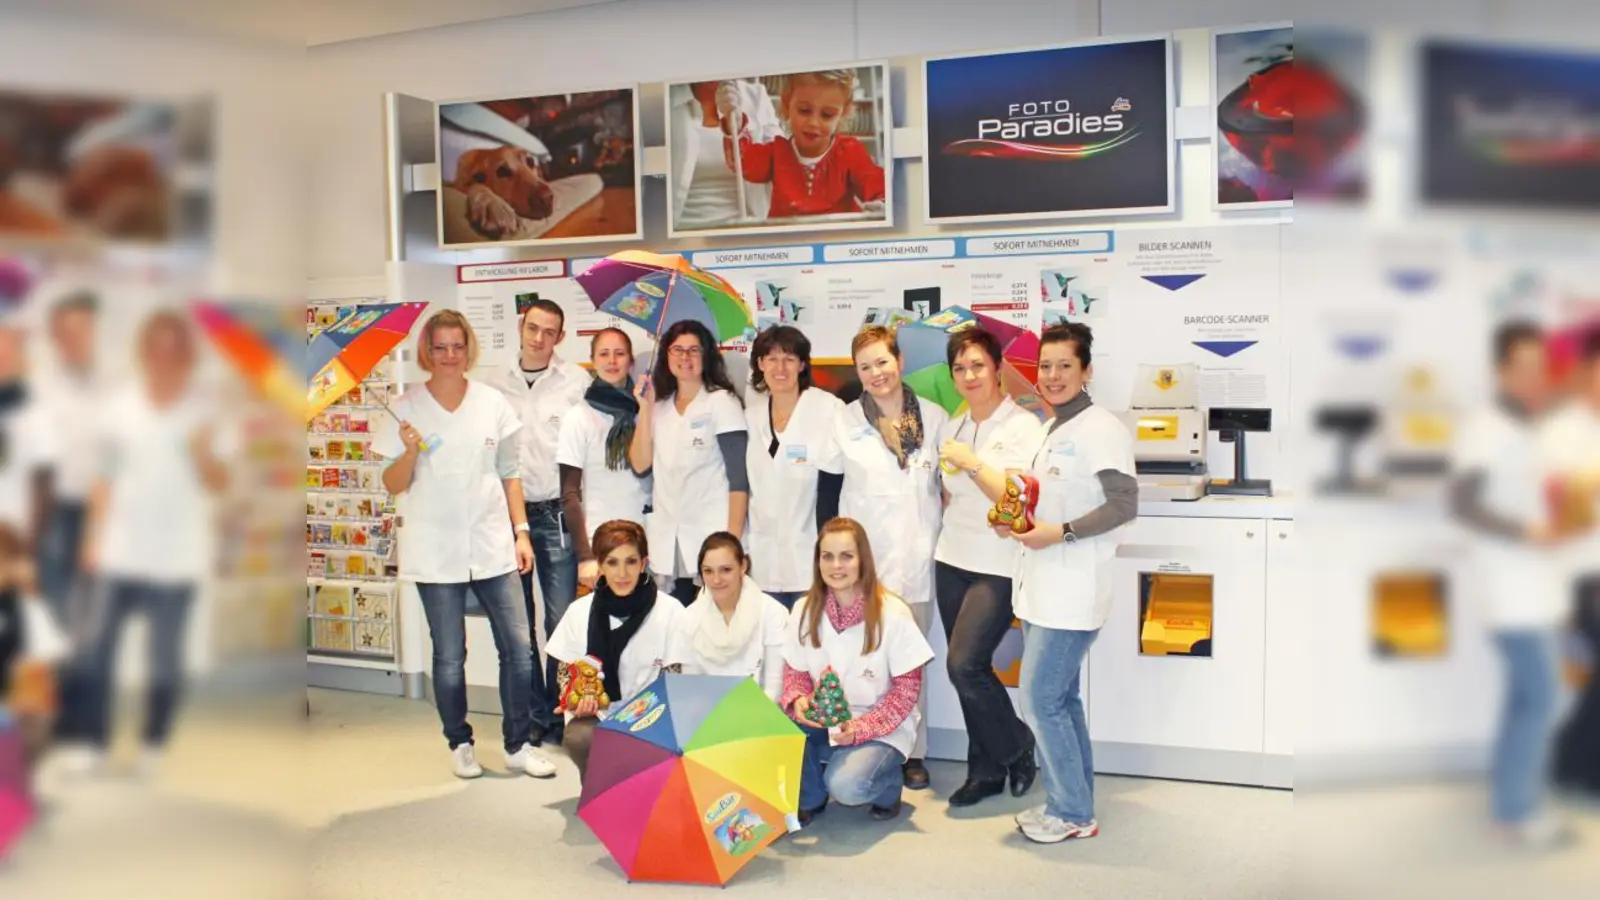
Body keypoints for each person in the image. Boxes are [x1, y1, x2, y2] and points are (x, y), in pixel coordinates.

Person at [373, 309, 556, 780]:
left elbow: (510, 474)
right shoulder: (405, 406)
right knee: (450, 654)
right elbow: (393, 484)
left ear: (468, 348)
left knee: (519, 648)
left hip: (494, 541)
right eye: (440, 347)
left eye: (458, 346)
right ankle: (459, 741)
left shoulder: (492, 403)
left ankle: (517, 744)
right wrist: (410, 451)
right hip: (435, 549)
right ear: (426, 352)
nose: (450, 355)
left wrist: (521, 533)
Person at [73, 311, 233, 776]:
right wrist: (93, 538)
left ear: (186, 356)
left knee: (163, 661)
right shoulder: (119, 409)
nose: (164, 359)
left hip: (176, 558)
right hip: (120, 550)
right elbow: (103, 477)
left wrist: (203, 453)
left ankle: (153, 742)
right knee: (95, 653)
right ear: (144, 354)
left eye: (174, 350)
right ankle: (94, 743)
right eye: (156, 349)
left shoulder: (204, 413)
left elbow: (220, 483)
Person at [1002, 322, 1137, 844]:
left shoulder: (1101, 428)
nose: (1053, 375)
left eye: (1064, 365)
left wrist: (1059, 532)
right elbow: (1053, 499)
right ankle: (1074, 802)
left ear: (1086, 371)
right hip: (1044, 586)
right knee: (1061, 700)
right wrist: (1014, 522)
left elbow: (1124, 505)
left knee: (1039, 700)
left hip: (1074, 589)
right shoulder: (1053, 427)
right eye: (1046, 365)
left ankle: (1072, 812)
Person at [1449, 321, 1574, 847]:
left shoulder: (1524, 426)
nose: (1532, 377)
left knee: (1526, 699)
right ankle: (1516, 814)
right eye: (1520, 366)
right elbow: (1463, 503)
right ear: (1500, 371)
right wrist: (1528, 530)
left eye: (1538, 367)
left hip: (1533, 587)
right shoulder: (1486, 429)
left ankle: (1508, 809)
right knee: (1544, 699)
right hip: (1509, 592)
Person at [817, 325, 946, 790]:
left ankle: (913, 751)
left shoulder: (933, 417)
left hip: (916, 562)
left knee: (909, 666)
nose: (876, 373)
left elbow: (945, 490)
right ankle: (861, 745)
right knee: (864, 663)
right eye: (865, 366)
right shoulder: (844, 421)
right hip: (861, 569)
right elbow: (828, 490)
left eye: (882, 362)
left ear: (900, 361)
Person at [933, 327, 1046, 806]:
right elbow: (944, 493)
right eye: (959, 368)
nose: (969, 375)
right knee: (966, 672)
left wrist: (974, 464)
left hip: (998, 564)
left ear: (997, 368)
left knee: (965, 663)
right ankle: (984, 769)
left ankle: (1017, 744)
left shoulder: (1023, 426)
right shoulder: (951, 426)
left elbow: (1014, 498)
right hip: (950, 557)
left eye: (977, 365)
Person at [781, 517, 934, 824]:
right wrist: (798, 698)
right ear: (818, 561)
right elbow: (795, 672)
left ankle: (889, 785)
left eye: (846, 556)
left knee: (847, 786)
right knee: (781, 726)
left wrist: (862, 729)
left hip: (879, 725)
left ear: (863, 559)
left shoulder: (893, 613)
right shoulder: (803, 610)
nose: (836, 566)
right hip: (825, 719)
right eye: (827, 556)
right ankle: (811, 796)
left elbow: (906, 693)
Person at [488, 297, 588, 746]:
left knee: (560, 619)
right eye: (533, 328)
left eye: (550, 332)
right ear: (521, 326)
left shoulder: (575, 382)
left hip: (556, 513)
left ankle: (557, 710)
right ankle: (531, 714)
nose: (539, 338)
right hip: (507, 515)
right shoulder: (491, 383)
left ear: (560, 338)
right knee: (518, 623)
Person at [546, 519, 680, 780]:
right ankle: (599, 786)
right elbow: (566, 674)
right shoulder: (579, 612)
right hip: (600, 714)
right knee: (580, 736)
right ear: (600, 565)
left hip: (652, 716)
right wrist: (575, 700)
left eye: (630, 562)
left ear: (644, 563)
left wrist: (635, 719)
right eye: (612, 562)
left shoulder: (671, 611)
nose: (622, 573)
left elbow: (675, 681)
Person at [632, 320, 749, 606]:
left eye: (694, 350)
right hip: (668, 542)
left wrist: (731, 545)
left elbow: (739, 479)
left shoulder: (722, 402)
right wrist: (645, 407)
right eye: (677, 349)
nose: (685, 357)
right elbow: (640, 464)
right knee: (677, 633)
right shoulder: (658, 407)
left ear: (706, 356)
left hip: (712, 538)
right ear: (666, 356)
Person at [743, 326, 844, 608]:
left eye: (789, 359)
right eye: (771, 359)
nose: (780, 368)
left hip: (811, 557)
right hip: (762, 562)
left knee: (811, 644)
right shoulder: (750, 418)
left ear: (801, 365)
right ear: (760, 364)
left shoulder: (828, 410)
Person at [1545, 329, 1600, 795]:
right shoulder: (1562, 433)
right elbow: (1561, 512)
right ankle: (1574, 762)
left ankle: (1571, 761)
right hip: (1583, 577)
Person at [559, 328, 653, 597]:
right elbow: (569, 494)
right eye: (604, 354)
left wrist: (646, 409)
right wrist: (585, 556)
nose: (612, 361)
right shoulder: (578, 417)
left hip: (646, 541)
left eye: (620, 354)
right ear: (593, 359)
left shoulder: (646, 410)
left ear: (631, 361)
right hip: (601, 545)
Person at [723, 70, 887, 220]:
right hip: (789, 243)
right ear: (787, 107)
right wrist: (735, 126)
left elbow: (875, 182)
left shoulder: (849, 151)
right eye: (804, 110)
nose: (813, 123)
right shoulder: (777, 152)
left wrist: (882, 203)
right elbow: (743, 162)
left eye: (827, 115)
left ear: (842, 116)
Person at [664, 532, 788, 700]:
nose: (716, 580)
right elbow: (690, 686)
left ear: (743, 566)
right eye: (708, 571)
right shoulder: (689, 618)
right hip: (708, 717)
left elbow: (775, 687)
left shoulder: (772, 612)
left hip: (761, 716)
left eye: (726, 570)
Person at [35, 291, 98, 613]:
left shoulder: (110, 384)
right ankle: (55, 661)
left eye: (85, 329)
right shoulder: (38, 387)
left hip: (99, 509)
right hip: (54, 509)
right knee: (54, 597)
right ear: (55, 336)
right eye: (69, 331)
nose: (78, 339)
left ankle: (80, 662)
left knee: (93, 600)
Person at [0, 522, 71, 779]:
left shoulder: (27, 607)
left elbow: (51, 654)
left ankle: (13, 775)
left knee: (34, 680)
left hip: (17, 706)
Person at [669, 80, 782, 231]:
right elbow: (653, 176)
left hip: (745, 230)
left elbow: (782, 163)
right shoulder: (666, 99)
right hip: (682, 232)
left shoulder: (756, 96)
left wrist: (740, 130)